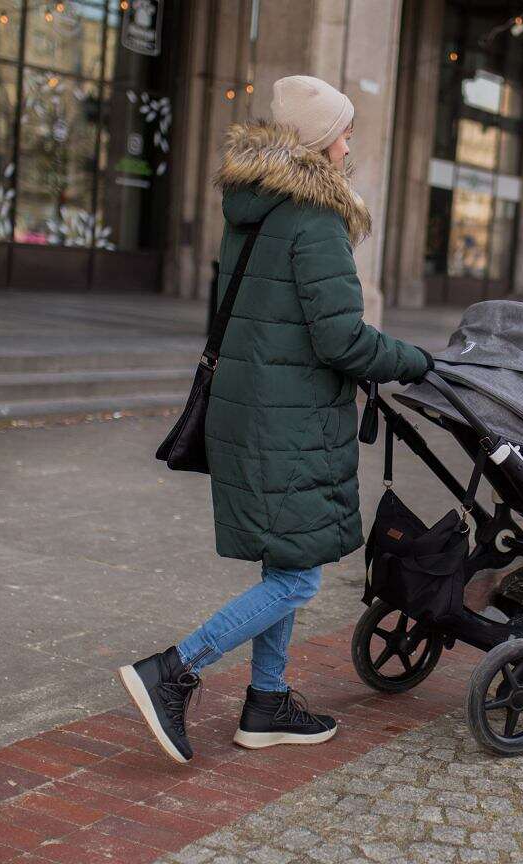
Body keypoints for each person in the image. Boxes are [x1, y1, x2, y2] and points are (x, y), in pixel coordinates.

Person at [118, 76, 433, 763]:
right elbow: (342, 339)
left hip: (253, 409)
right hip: (287, 421)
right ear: (321, 142)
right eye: (345, 133)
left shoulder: (254, 209)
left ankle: (265, 703)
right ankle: (172, 670)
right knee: (299, 576)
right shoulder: (315, 219)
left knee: (286, 562)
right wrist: (415, 362)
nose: (351, 145)